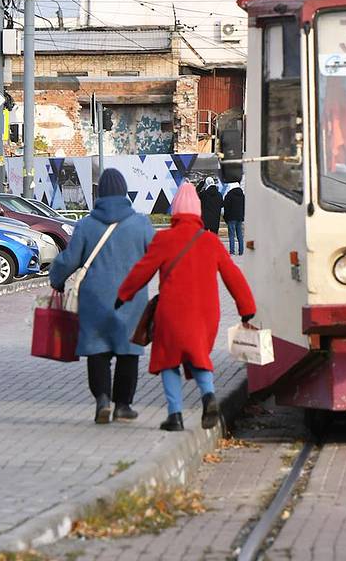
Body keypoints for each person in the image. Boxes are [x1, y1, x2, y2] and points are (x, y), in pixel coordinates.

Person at [116, 181, 255, 433]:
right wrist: (247, 308)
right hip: (206, 313)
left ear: (175, 211)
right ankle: (209, 396)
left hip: (171, 311)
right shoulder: (211, 242)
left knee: (169, 360)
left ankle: (175, 416)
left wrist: (123, 295)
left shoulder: (164, 239)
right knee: (198, 355)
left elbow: (142, 271)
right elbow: (233, 275)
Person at [49, 168, 153, 424]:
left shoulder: (85, 224)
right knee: (128, 352)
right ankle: (123, 406)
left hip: (94, 299)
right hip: (132, 298)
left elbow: (69, 259)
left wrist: (57, 279)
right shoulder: (141, 223)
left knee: (98, 351)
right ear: (124, 192)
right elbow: (154, 258)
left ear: (101, 193)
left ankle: (102, 400)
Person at [222, 184, 245, 258]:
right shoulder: (242, 196)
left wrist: (226, 217)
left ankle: (232, 251)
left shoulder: (229, 195)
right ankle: (241, 251)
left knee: (231, 235)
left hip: (231, 218)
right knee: (240, 235)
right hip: (239, 217)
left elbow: (226, 208)